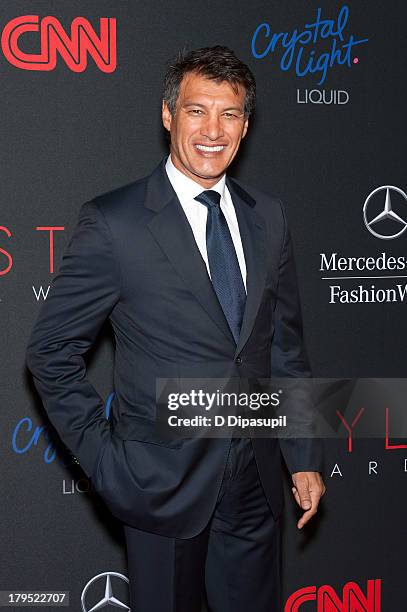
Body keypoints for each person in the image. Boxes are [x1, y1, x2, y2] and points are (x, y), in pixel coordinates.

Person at [26, 45, 325, 612]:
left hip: (256, 485)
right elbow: (50, 351)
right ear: (168, 115)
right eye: (196, 111)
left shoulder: (269, 215)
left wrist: (303, 454)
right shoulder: (115, 223)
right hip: (160, 484)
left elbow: (285, 347)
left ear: (245, 124)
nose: (213, 130)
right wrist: (106, 459)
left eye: (229, 114)